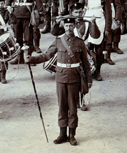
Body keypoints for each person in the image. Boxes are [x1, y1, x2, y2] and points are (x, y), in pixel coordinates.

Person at [28, 16, 92, 146]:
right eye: (67, 26)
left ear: (75, 26)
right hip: (61, 78)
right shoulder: (58, 41)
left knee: (73, 107)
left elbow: (85, 63)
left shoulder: (80, 43)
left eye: (71, 26)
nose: (69, 28)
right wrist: (32, 59)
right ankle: (62, 134)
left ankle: (72, 135)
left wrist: (89, 80)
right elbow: (47, 55)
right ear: (64, 26)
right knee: (62, 106)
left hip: (74, 77)